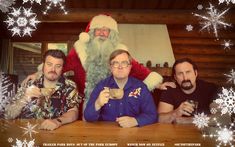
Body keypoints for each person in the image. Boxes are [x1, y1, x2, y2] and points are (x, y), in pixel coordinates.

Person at [23, 14, 174, 118]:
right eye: (98, 30)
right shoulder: (79, 51)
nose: (102, 33)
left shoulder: (120, 52)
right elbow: (60, 65)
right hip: (85, 104)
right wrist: (38, 73)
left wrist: (158, 83)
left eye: (106, 30)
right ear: (92, 33)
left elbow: (138, 69)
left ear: (111, 34)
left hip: (113, 104)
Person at [5, 50, 82, 131]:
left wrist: (57, 121)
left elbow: (74, 112)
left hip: (56, 132)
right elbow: (9, 115)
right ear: (43, 65)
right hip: (27, 133)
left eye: (58, 66)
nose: (53, 69)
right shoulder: (30, 83)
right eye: (49, 64)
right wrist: (25, 98)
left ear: (62, 68)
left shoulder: (69, 85)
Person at [84, 49, 157, 127]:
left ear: (130, 67)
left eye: (124, 63)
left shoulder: (140, 87)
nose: (120, 67)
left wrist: (135, 121)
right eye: (115, 63)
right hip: (106, 134)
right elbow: (88, 117)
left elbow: (153, 115)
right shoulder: (101, 86)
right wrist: (98, 103)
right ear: (111, 67)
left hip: (133, 134)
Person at [158, 58, 217, 124]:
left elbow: (220, 117)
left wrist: (184, 121)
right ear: (175, 77)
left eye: (188, 72)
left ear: (195, 73)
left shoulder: (210, 88)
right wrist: (176, 112)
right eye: (180, 74)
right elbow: (159, 119)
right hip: (176, 133)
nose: (185, 78)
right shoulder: (170, 89)